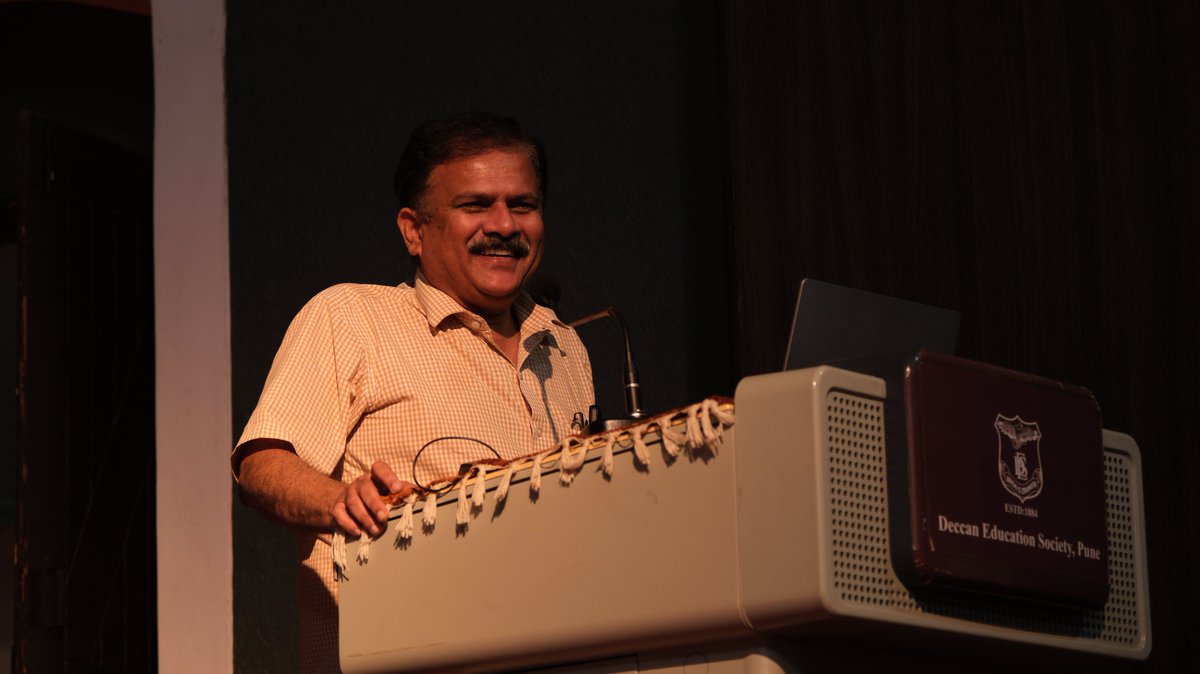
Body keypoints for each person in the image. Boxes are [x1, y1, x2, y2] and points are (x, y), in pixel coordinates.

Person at [232, 111, 595, 672]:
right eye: (475, 205)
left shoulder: (565, 345)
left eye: (522, 204)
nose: (504, 224)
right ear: (413, 229)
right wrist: (340, 500)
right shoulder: (352, 318)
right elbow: (261, 464)